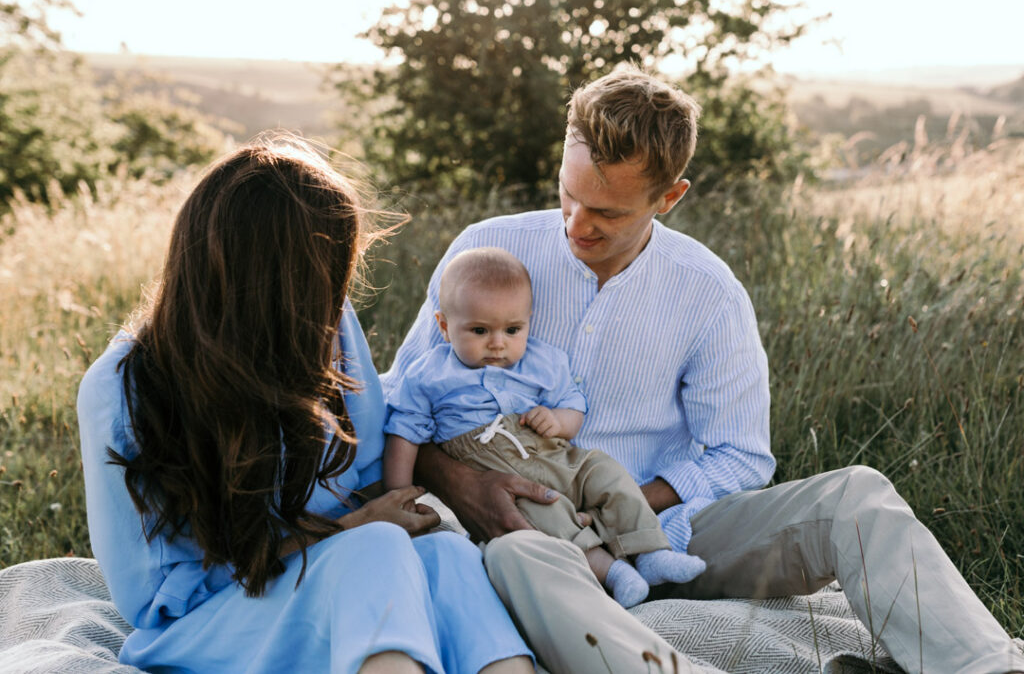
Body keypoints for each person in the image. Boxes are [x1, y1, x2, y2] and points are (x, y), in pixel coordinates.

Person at [382, 65, 1024, 674]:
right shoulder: (483, 252)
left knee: (858, 496)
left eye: (609, 214)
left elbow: (741, 456)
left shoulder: (709, 292)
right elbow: (397, 399)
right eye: (569, 196)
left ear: (671, 197)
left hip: (672, 527)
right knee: (523, 558)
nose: (578, 225)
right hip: (531, 528)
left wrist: (626, 502)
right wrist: (462, 484)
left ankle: (985, 666)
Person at [77, 136, 535, 674]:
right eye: (319, 280)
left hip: (339, 577)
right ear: (268, 287)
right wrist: (353, 529)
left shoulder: (328, 323)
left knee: (448, 556)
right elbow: (155, 595)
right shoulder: (125, 386)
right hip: (210, 622)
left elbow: (362, 470)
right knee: (377, 549)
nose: (334, 299)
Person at [383, 247, 706, 609]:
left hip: (553, 451)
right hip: (495, 470)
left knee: (605, 472)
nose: (497, 343)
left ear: (528, 322)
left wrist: (558, 421)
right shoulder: (429, 375)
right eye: (479, 330)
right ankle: (613, 574)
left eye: (512, 329)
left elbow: (574, 405)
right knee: (542, 516)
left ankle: (651, 552)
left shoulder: (542, 362)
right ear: (444, 326)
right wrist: (398, 495)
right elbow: (403, 433)